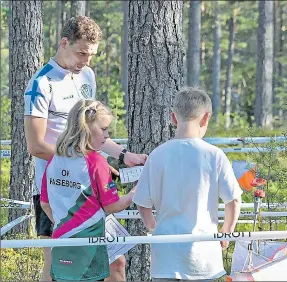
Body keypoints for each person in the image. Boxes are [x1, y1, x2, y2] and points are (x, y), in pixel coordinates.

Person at [24, 16, 146, 281]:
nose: (86, 61)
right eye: (82, 53)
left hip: (93, 189)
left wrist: (124, 155)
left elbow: (94, 130)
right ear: (64, 43)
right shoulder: (42, 83)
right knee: (57, 267)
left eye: (91, 55)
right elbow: (35, 145)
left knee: (116, 263)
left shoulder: (87, 75)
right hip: (58, 190)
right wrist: (81, 162)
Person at [133, 88, 242, 281]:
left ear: (173, 118)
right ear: (205, 118)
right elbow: (233, 200)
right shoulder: (214, 155)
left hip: (165, 255)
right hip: (203, 256)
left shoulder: (157, 155)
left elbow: (142, 202)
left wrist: (152, 226)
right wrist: (226, 233)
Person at [40, 99, 136, 281]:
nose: (108, 136)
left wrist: (65, 224)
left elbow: (45, 203)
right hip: (90, 243)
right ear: (87, 129)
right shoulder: (96, 161)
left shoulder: (55, 159)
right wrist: (134, 193)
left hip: (62, 239)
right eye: (104, 129)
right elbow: (113, 206)